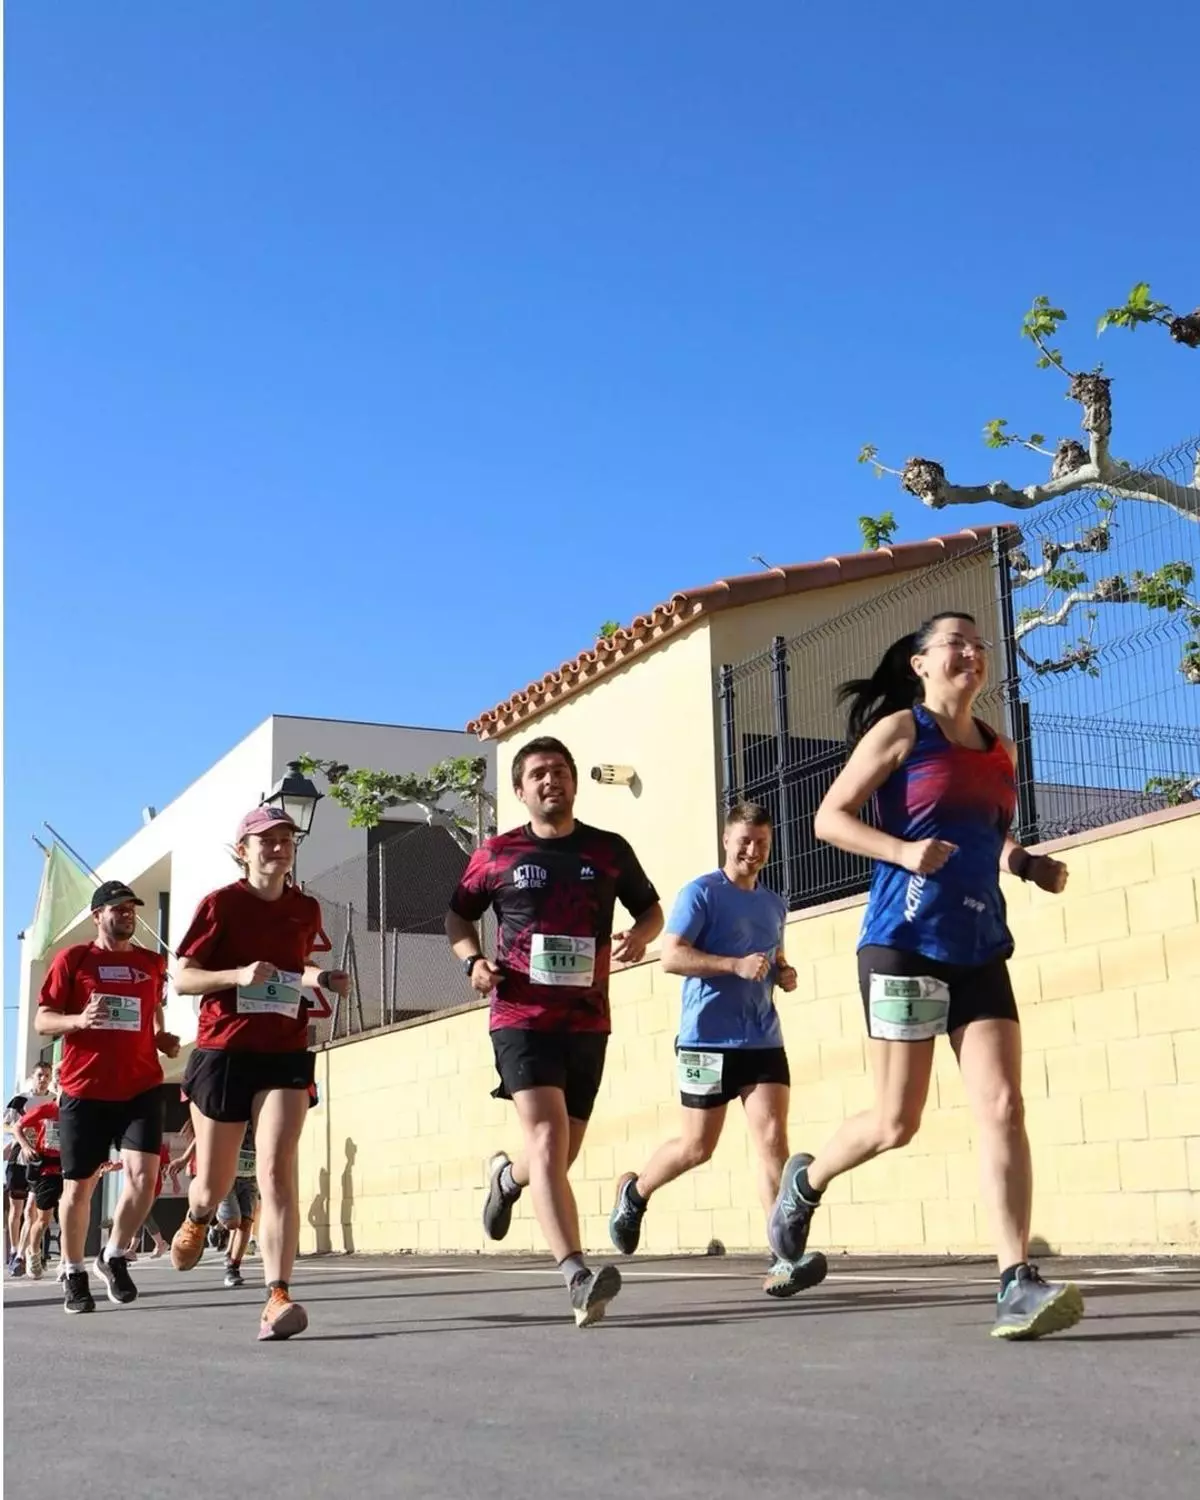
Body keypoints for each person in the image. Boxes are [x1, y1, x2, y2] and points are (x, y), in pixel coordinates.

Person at [766, 612, 1084, 1341]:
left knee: (1003, 1106)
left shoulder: (998, 749)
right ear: (920, 663)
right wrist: (904, 853)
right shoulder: (902, 733)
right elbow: (829, 820)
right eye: (956, 643)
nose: (973, 652)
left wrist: (1024, 863)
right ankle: (805, 1182)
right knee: (895, 1122)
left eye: (980, 644)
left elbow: (984, 830)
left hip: (978, 944)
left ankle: (1014, 1281)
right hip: (904, 943)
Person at [445, 735, 663, 1328]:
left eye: (560, 771)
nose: (552, 781)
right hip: (519, 1016)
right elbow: (458, 914)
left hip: (588, 1019)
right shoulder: (496, 854)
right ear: (520, 790)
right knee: (545, 1139)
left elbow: (650, 909)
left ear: (574, 782)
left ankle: (505, 1178)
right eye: (539, 773)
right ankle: (576, 1275)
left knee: (554, 1156)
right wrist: (472, 962)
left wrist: (641, 935)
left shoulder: (609, 850)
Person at [608, 803, 829, 1298]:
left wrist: (783, 973)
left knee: (773, 1140)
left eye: (762, 843)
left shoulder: (775, 904)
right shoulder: (702, 893)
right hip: (706, 1040)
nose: (753, 851)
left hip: (762, 1037)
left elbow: (772, 958)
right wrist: (733, 966)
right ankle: (635, 1192)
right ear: (727, 841)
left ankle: (783, 1258)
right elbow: (670, 957)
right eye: (745, 841)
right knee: (696, 1148)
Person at [169, 806, 350, 1342]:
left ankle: (277, 1294)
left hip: (285, 1050)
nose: (278, 846)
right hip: (225, 1051)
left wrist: (324, 977)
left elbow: (297, 969)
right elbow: (182, 979)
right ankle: (198, 1216)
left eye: (286, 837)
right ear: (241, 850)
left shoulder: (305, 908)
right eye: (264, 839)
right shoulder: (221, 904)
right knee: (215, 1184)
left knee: (275, 1171)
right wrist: (238, 974)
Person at [34, 881, 180, 1316]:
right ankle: (73, 1270)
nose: (128, 915)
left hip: (140, 1086)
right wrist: (79, 1019)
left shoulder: (152, 964)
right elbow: (43, 1020)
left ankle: (113, 1255)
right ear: (97, 915)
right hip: (85, 1089)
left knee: (143, 1177)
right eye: (117, 908)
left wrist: (163, 1040)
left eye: (132, 908)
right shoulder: (74, 959)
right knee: (79, 1187)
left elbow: (154, 1021)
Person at [5, 1063, 54, 1273]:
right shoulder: (20, 1100)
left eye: (47, 1076)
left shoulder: (54, 1099)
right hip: (19, 1158)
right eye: (40, 1075)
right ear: (33, 1077)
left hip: (41, 1158)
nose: (43, 1079)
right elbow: (5, 1124)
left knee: (31, 1209)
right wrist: (24, 1131)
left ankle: (22, 1255)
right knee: (16, 1210)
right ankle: (14, 1248)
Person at [12, 1088, 64, 1281]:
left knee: (69, 1220)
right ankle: (33, 1252)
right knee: (43, 1219)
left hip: (69, 1170)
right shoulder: (46, 1109)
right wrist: (25, 1147)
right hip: (47, 1170)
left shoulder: (78, 1112)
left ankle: (66, 1263)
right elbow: (18, 1127)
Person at [216, 1127, 259, 1288]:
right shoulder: (232, 1114)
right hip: (228, 1177)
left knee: (246, 1223)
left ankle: (233, 1269)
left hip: (250, 1178)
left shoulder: (262, 1115)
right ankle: (218, 1224)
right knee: (233, 1223)